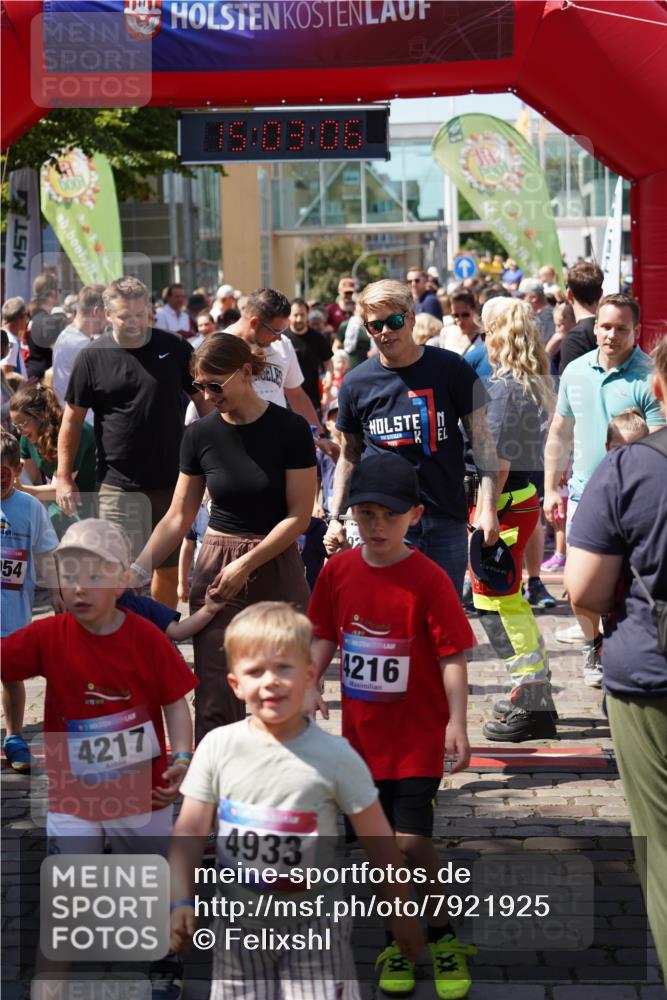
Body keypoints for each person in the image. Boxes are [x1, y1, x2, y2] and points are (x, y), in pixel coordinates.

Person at [169, 601, 424, 998]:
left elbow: (379, 842)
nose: (271, 681)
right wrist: (180, 899)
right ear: (235, 683)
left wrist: (401, 912)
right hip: (239, 927)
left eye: (284, 668)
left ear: (309, 676)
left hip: (316, 925)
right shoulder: (218, 747)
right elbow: (188, 832)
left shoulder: (336, 757)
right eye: (256, 671)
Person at [0, 517, 197, 997]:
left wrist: (182, 757)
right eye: (69, 575)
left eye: (93, 575)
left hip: (143, 793)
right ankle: (49, 984)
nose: (79, 587)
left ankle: (164, 958)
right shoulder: (49, 635)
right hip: (74, 796)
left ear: (122, 580)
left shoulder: (147, 638)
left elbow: (175, 701)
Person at [309, 453, 477, 999]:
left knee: (411, 841)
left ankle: (442, 934)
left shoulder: (428, 578)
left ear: (415, 516)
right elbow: (323, 633)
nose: (377, 526)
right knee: (382, 848)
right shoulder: (337, 571)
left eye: (390, 515)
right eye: (366, 514)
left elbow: (453, 655)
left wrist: (458, 722)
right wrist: (310, 680)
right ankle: (398, 941)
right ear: (352, 515)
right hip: (361, 743)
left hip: (418, 737)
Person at [128, 333, 317, 742]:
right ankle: (215, 777)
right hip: (217, 561)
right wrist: (137, 570)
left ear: (246, 372)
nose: (208, 396)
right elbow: (179, 515)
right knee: (216, 690)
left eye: (216, 385)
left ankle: (287, 774)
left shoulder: (290, 429)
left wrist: (246, 563)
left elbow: (299, 515)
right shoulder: (200, 435)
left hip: (275, 559)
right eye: (200, 386)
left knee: (286, 682)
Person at [563, 336, 667, 976]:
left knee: (660, 843)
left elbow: (584, 590)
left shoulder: (630, 467)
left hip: (651, 672)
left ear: (657, 387)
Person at [325, 279, 499, 599]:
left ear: (411, 318)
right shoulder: (355, 383)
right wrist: (336, 517)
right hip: (385, 523)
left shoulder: (452, 368)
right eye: (375, 325)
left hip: (445, 518)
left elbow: (483, 441)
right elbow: (349, 455)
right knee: (391, 614)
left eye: (394, 321)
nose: (385, 332)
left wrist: (489, 509)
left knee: (442, 615)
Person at [55, 277, 209, 608]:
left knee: (166, 569)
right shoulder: (91, 357)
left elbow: (205, 401)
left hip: (174, 482)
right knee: (116, 570)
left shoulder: (175, 348)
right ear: (107, 314)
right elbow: (72, 420)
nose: (135, 322)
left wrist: (214, 458)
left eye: (141, 314)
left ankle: (159, 632)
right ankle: (121, 636)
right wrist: (64, 476)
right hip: (117, 485)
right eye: (126, 316)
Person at [544, 293, 664, 685]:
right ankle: (592, 645)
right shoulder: (575, 370)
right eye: (606, 326)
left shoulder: (648, 376)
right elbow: (559, 431)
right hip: (583, 495)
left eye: (621, 328)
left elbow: (659, 442)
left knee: (626, 584)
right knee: (577, 587)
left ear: (636, 331)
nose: (612, 335)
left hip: (633, 500)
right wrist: (551, 488)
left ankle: (624, 647)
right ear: (595, 327)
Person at [472, 297, 557, 741]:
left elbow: (498, 460)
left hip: (504, 502)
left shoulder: (506, 387)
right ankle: (534, 688)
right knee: (505, 600)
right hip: (519, 499)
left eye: (487, 330)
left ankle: (531, 695)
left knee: (498, 602)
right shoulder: (531, 382)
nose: (483, 338)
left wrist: (485, 510)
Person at [1, 428, 61, 772]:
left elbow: (47, 553)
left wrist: (56, 592)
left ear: (18, 469)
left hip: (14, 612)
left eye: (2, 475)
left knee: (10, 673)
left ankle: (14, 736)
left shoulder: (29, 508)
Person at [225, 288, 336, 455]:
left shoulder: (283, 344)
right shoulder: (221, 346)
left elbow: (296, 395)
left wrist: (320, 435)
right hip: (238, 447)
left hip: (277, 444)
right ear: (254, 323)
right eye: (276, 331)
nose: (279, 337)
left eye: (283, 331)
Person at [9, 383, 97, 533]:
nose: (19, 431)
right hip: (57, 503)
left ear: (41, 416)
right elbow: (31, 479)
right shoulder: (27, 438)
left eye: (22, 423)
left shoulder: (75, 434)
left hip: (89, 503)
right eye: (15, 425)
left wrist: (21, 489)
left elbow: (59, 488)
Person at [52, 284, 106, 414]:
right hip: (84, 420)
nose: (109, 319)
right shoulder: (80, 344)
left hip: (75, 417)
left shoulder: (67, 336)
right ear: (96, 312)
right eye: (107, 313)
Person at [286, 297, 333, 415]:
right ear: (289, 316)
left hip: (312, 399)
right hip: (286, 400)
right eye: (295, 315)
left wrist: (329, 376)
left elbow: (328, 361)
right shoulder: (282, 338)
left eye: (302, 315)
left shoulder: (317, 338)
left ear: (307, 315)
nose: (299, 319)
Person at [558, 261, 603, 375]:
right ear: (600, 293)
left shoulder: (575, 339)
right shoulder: (616, 330)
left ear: (569, 294)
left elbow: (572, 383)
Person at [440, 288, 492, 382]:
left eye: (465, 315)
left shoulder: (484, 335)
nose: (459, 320)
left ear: (473, 310)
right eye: (455, 315)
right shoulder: (446, 332)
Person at [25, 272, 67, 380]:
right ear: (53, 293)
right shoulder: (48, 322)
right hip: (43, 379)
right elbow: (61, 353)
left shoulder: (29, 316)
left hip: (30, 375)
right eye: (58, 290)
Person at [1, 297, 29, 379]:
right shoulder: (11, 342)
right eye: (26, 315)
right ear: (20, 318)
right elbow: (6, 376)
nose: (27, 319)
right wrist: (24, 385)